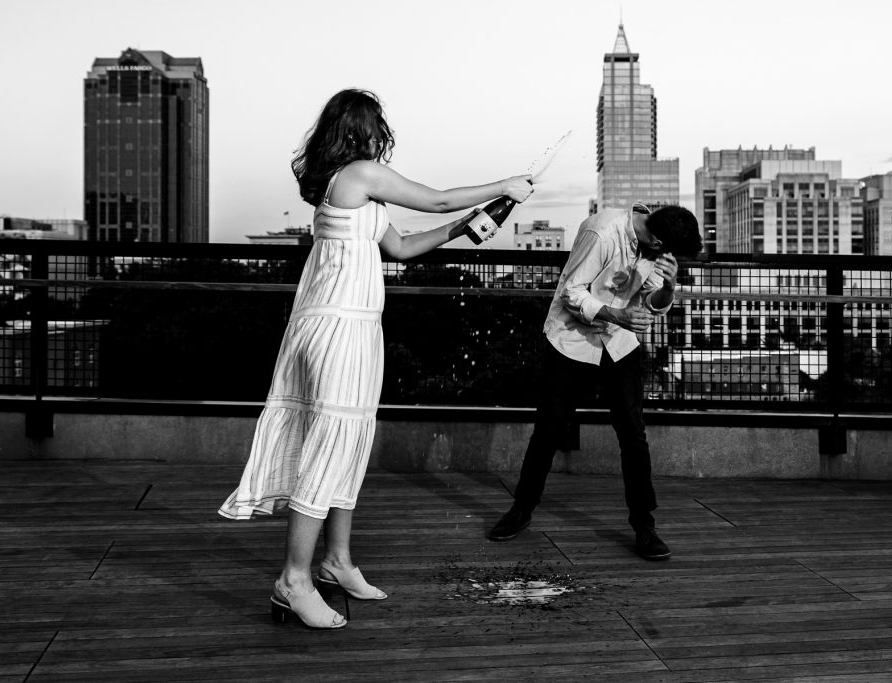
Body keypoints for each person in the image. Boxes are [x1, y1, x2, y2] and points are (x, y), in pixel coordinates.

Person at [219, 88, 533, 629]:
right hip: (339, 326)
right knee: (329, 446)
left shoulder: (351, 188)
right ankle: (292, 581)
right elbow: (436, 199)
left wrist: (465, 226)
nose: (380, 133)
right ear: (360, 130)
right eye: (375, 125)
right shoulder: (360, 174)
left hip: (353, 327)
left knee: (349, 441)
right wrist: (505, 185)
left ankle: (337, 562)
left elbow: (401, 248)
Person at [487, 203, 702, 560]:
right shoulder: (602, 232)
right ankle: (521, 509)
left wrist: (669, 285)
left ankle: (644, 525)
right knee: (549, 430)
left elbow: (653, 301)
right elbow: (572, 292)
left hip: (619, 342)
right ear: (658, 239)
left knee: (633, 433)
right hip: (571, 339)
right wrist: (618, 315)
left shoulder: (655, 246)